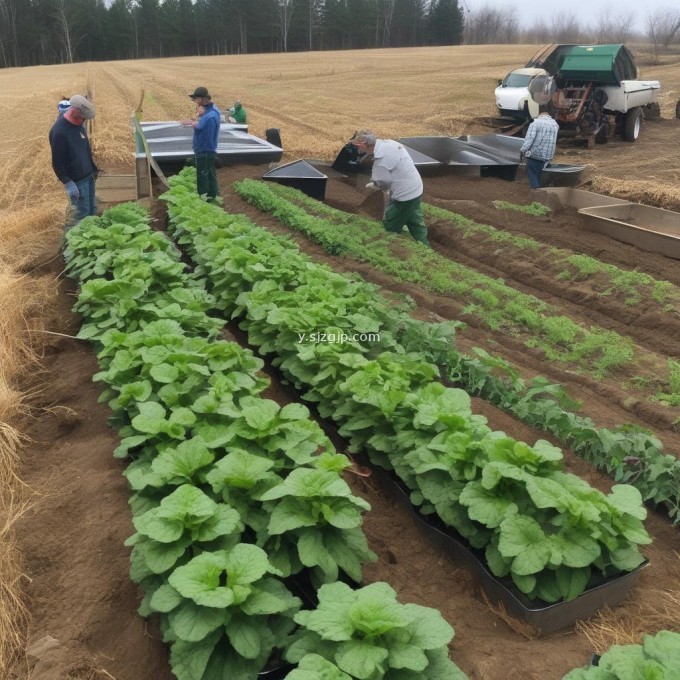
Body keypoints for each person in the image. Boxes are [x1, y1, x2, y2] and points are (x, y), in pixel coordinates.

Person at [349, 129, 429, 246]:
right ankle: (425, 246)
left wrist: (375, 185)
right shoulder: (387, 143)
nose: (357, 149)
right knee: (414, 220)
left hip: (405, 195)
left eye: (358, 146)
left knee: (390, 225)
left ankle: (390, 248)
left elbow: (384, 181)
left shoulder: (380, 160)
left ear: (364, 145)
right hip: (416, 187)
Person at [49, 94, 99, 226]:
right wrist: (68, 183)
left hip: (87, 177)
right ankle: (71, 245)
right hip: (77, 182)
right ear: (75, 113)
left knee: (91, 210)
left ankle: (91, 241)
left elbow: (85, 149)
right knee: (80, 216)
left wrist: (93, 169)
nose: (83, 122)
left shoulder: (78, 126)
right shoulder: (60, 132)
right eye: (83, 119)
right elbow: (57, 163)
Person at [181, 86, 221, 201]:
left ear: (203, 99)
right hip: (206, 150)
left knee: (203, 174)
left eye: (196, 99)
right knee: (209, 173)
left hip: (205, 150)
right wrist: (197, 119)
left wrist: (195, 123)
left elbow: (204, 130)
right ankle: (213, 195)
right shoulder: (209, 112)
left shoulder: (210, 117)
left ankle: (204, 198)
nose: (194, 102)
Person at [520, 105, 559, 190]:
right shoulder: (555, 124)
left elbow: (529, 139)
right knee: (540, 175)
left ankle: (536, 191)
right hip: (548, 156)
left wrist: (523, 150)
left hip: (535, 154)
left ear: (539, 114)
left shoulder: (535, 123)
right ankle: (543, 190)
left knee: (532, 172)